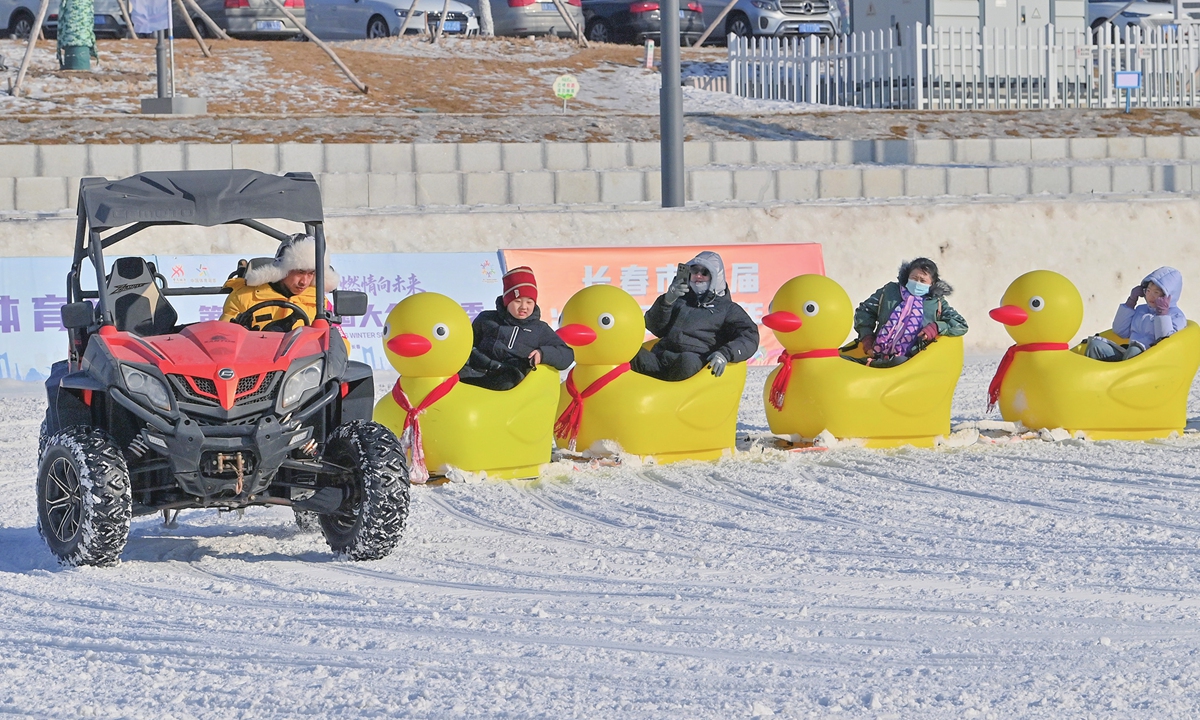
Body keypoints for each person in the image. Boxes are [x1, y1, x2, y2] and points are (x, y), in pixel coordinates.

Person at [631, 251, 759, 382]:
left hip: (695, 363)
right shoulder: (680, 299)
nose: (698, 275)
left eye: (705, 273)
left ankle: (671, 399)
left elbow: (750, 335)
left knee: (687, 361)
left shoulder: (727, 309)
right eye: (694, 270)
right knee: (630, 354)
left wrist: (725, 354)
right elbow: (655, 327)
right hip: (662, 357)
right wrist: (667, 301)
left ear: (716, 277)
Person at [459, 266, 574, 391]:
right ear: (507, 301)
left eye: (529, 302)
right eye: (518, 301)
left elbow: (567, 355)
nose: (524, 307)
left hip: (508, 377)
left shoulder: (539, 329)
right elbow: (467, 343)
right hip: (476, 370)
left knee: (506, 384)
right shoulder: (486, 319)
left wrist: (543, 353)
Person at [852, 257, 968, 367]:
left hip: (912, 361)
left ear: (932, 283)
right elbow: (864, 310)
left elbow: (960, 324)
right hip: (876, 353)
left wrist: (936, 327)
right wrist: (867, 337)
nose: (917, 283)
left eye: (923, 280)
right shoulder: (889, 291)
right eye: (914, 278)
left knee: (898, 362)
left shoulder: (937, 303)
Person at [221, 233, 340, 332]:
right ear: (284, 269)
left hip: (306, 360)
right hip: (255, 358)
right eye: (299, 272)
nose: (304, 281)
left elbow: (338, 344)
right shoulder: (243, 297)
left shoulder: (320, 301)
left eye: (311, 273)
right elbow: (223, 338)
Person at [1085, 266, 1186, 361]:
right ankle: (1093, 376)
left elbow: (1166, 344)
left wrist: (1162, 314)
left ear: (1168, 296)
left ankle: (1121, 376)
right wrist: (1130, 303)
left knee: (1135, 350)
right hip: (1129, 356)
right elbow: (1120, 331)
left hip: (1151, 361)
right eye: (1148, 291)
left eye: (1156, 292)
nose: (1151, 296)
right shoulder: (1141, 310)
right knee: (1095, 345)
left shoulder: (1176, 316)